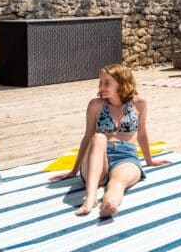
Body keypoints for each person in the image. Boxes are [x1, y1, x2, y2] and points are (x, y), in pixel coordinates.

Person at [50, 64, 169, 217]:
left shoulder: (139, 103)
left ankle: (110, 204)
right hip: (98, 157)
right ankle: (90, 197)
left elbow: (142, 133)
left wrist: (149, 161)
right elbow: (87, 137)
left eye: (107, 82)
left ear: (122, 82)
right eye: (100, 82)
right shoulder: (96, 105)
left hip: (126, 156)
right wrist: (74, 170)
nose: (102, 86)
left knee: (117, 183)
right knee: (99, 137)